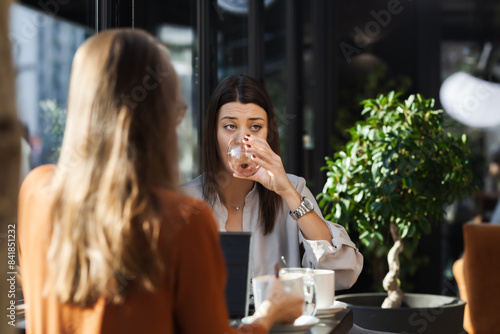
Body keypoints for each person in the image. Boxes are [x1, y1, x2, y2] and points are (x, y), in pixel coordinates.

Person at [17, 29, 303, 334]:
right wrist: (269, 314)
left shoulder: (34, 190)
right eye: (176, 110)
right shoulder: (183, 221)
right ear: (161, 118)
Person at [182, 75, 363, 289]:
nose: (243, 139)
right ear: (213, 133)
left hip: (280, 323)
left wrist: (286, 191)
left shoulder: (292, 189)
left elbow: (343, 273)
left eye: (255, 127)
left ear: (268, 134)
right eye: (230, 126)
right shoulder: (184, 201)